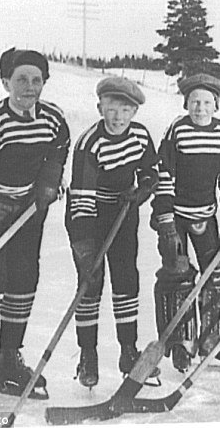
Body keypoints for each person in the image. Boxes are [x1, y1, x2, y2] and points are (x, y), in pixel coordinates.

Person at [0, 48, 70, 408]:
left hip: (28, 210)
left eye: (37, 80)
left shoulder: (53, 119)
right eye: (21, 79)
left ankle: (9, 357)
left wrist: (49, 180)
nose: (29, 86)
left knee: (24, 279)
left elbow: (59, 147)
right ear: (6, 82)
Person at [65, 76, 160, 388]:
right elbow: (81, 198)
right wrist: (85, 250)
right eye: (111, 109)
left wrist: (144, 188)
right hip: (88, 215)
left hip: (123, 211)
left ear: (133, 112)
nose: (118, 117)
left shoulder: (141, 136)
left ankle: (128, 350)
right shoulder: (89, 143)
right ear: (100, 108)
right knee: (90, 283)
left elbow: (150, 170)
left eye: (125, 110)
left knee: (126, 279)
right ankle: (88, 354)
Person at [151, 73, 220, 373]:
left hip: (206, 214)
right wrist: (165, 219)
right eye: (194, 102)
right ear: (186, 104)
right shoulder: (177, 130)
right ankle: (181, 342)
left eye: (206, 103)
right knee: (178, 274)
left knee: (214, 275)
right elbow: (164, 174)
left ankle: (209, 337)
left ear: (216, 105)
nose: (200, 108)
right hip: (176, 215)